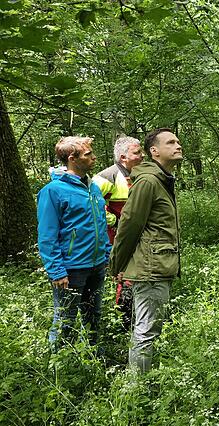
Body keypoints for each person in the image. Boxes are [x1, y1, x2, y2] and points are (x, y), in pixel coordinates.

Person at [110, 128, 182, 373]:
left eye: (178, 141)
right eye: (170, 142)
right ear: (155, 151)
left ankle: (143, 380)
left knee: (151, 328)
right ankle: (135, 390)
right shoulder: (149, 181)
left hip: (159, 265)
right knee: (146, 330)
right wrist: (116, 265)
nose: (178, 145)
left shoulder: (162, 180)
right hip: (150, 268)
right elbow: (129, 225)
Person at [37, 136, 111, 351]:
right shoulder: (53, 191)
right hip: (71, 269)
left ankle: (95, 357)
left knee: (94, 314)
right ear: (72, 158)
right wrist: (57, 271)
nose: (94, 157)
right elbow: (47, 236)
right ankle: (59, 366)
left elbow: (99, 224)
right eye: (88, 154)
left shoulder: (93, 188)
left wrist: (106, 254)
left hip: (97, 265)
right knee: (65, 320)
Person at [93, 135, 144, 332]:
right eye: (137, 152)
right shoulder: (107, 176)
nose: (142, 156)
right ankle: (124, 321)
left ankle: (136, 315)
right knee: (124, 275)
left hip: (137, 234)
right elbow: (91, 203)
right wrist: (113, 221)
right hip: (115, 236)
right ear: (123, 157)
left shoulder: (139, 173)